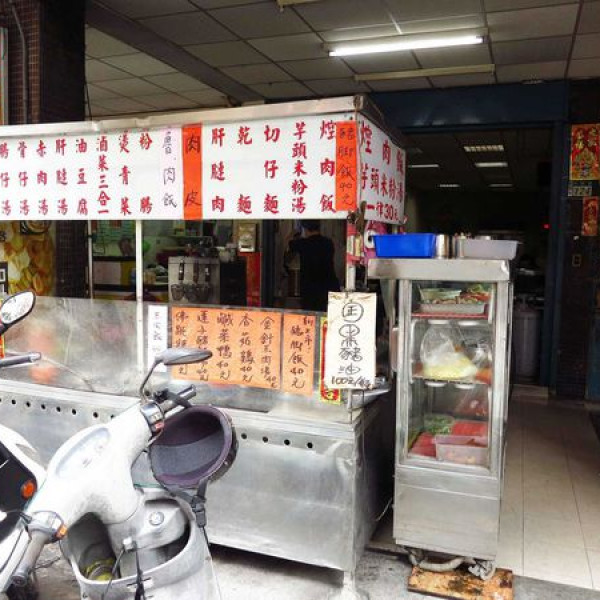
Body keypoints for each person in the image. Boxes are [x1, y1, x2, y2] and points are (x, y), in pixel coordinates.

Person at [288, 220, 340, 311]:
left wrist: (293, 232)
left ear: (305, 229)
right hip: (329, 286)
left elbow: (287, 244)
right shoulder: (328, 242)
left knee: (311, 315)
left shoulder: (303, 243)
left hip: (310, 288)